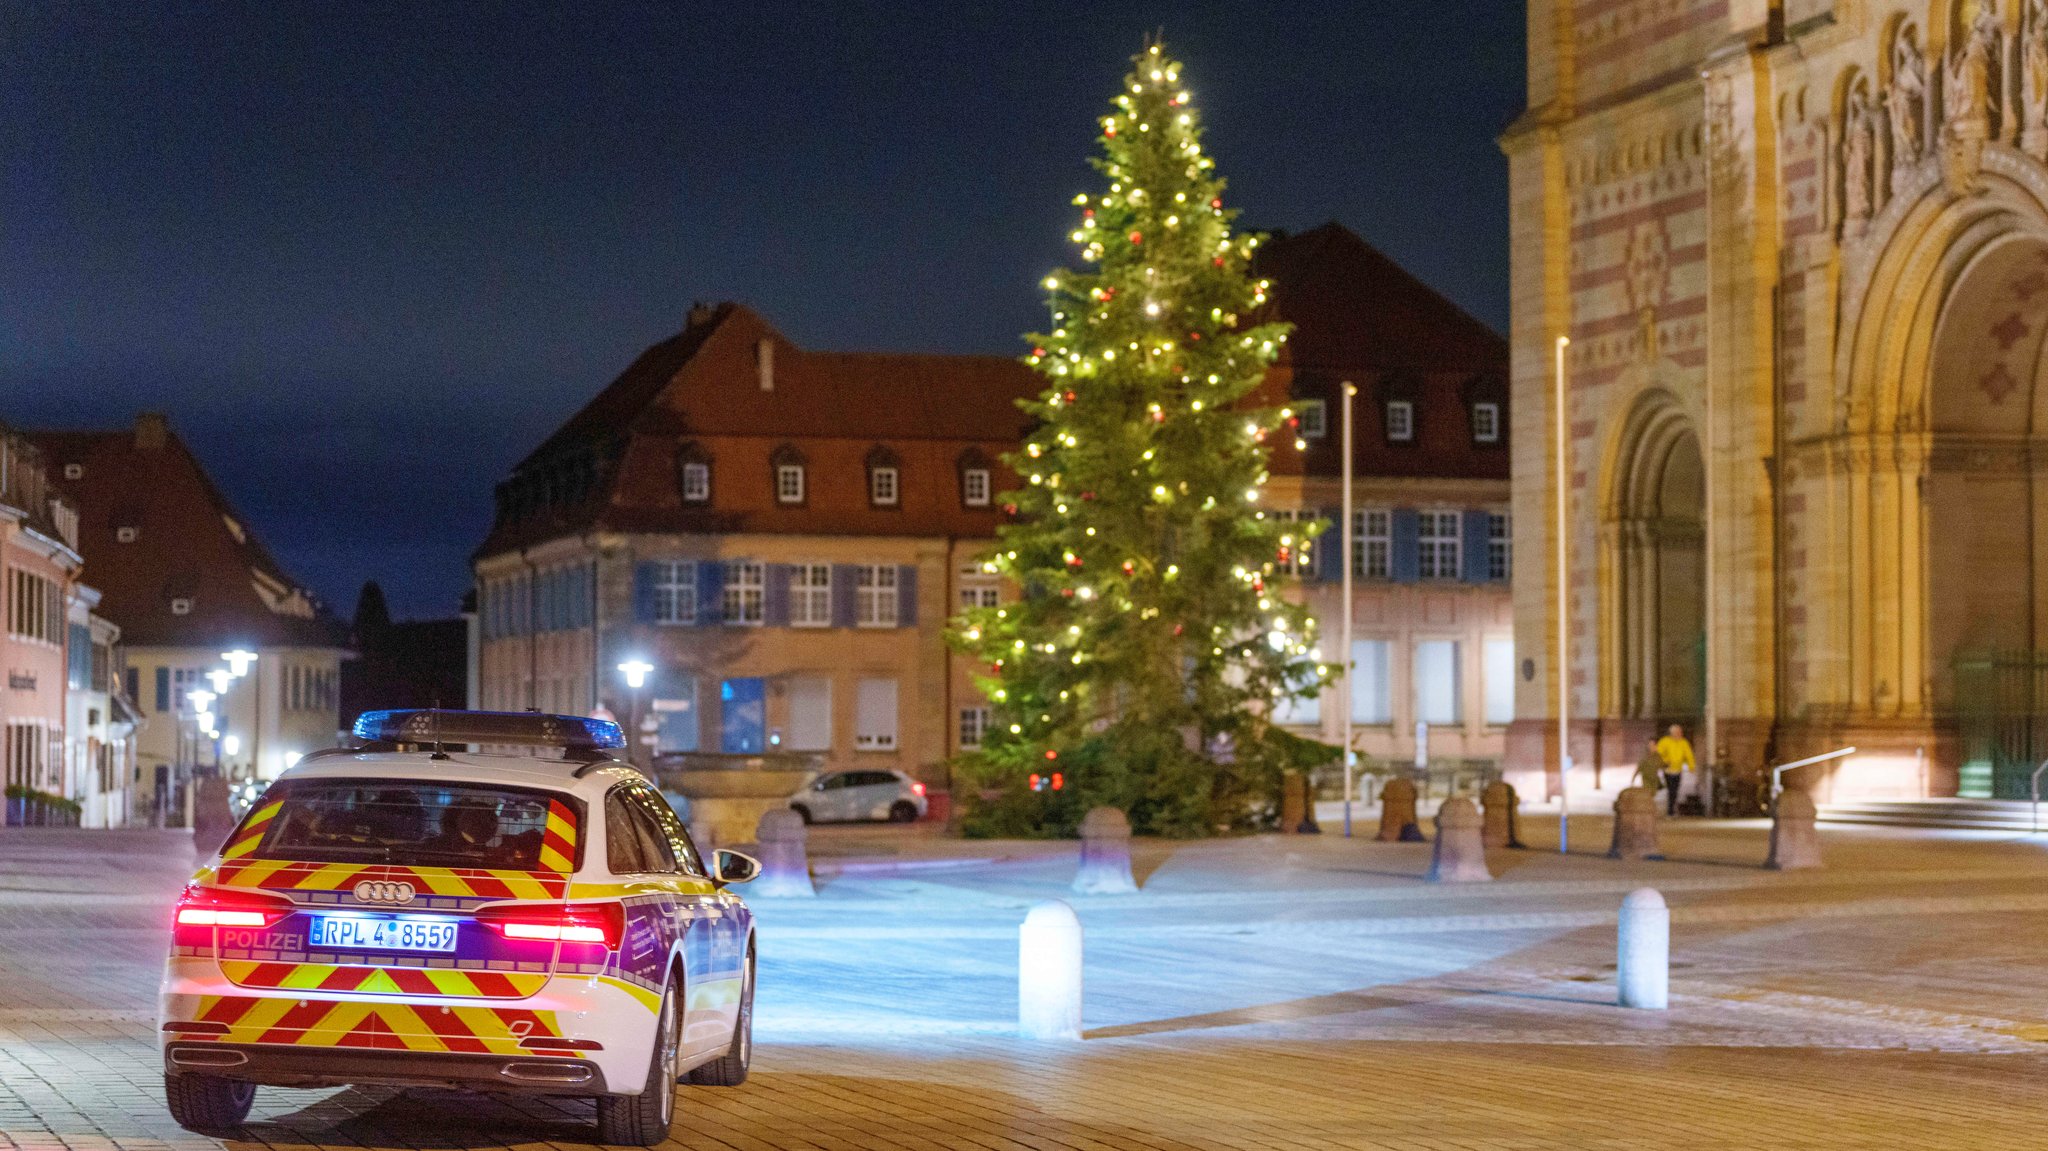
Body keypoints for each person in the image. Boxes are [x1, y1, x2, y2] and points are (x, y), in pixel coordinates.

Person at [1654, 724, 1696, 816]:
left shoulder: (1684, 743)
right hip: (1667, 770)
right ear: (1672, 733)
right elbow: (1658, 753)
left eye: (1680, 732)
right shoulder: (1665, 742)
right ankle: (1670, 810)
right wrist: (1664, 762)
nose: (1679, 734)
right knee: (1671, 790)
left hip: (1678, 771)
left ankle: (1671, 808)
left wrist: (1691, 766)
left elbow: (1689, 755)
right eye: (1677, 732)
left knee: (1675, 790)